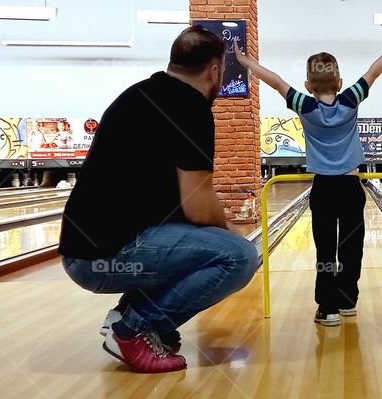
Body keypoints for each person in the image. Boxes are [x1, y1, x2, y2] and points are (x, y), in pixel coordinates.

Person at [59, 25, 260, 373]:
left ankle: (129, 315)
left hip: (84, 250)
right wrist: (232, 230)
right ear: (215, 70)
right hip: (104, 257)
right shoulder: (191, 108)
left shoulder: (139, 93)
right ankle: (133, 328)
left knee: (208, 244)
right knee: (239, 257)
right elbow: (198, 206)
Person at [234, 21, 382, 326]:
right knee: (352, 246)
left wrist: (249, 63)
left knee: (326, 248)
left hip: (323, 190)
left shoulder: (305, 105)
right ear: (340, 82)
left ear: (308, 85)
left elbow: (275, 82)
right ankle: (348, 300)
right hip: (352, 188)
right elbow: (374, 70)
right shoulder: (351, 99)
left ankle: (327, 308)